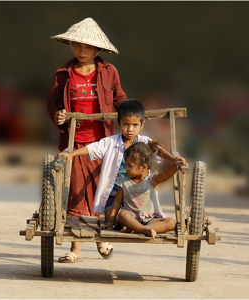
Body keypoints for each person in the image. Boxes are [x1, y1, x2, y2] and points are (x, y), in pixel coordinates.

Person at [47, 17, 126, 263]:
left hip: (103, 141)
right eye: (77, 45)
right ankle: (76, 248)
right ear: (71, 45)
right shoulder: (63, 73)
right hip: (74, 142)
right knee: (75, 193)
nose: (82, 50)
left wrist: (128, 114)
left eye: (87, 47)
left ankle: (102, 238)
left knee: (102, 190)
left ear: (97, 49)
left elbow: (120, 98)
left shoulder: (109, 71)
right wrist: (58, 115)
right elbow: (52, 102)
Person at [58, 100, 187, 240]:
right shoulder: (111, 142)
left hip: (140, 201)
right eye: (126, 124)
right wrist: (71, 154)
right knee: (114, 216)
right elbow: (91, 148)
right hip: (115, 197)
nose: (130, 129)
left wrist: (173, 159)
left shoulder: (144, 141)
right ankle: (138, 227)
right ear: (119, 124)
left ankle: (137, 228)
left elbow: (159, 151)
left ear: (142, 125)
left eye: (135, 125)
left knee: (171, 222)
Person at [101, 141, 188, 238]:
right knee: (123, 215)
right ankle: (143, 230)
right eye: (126, 165)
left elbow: (166, 174)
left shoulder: (152, 180)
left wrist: (175, 166)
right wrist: (109, 221)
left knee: (171, 222)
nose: (126, 168)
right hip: (132, 218)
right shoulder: (124, 182)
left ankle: (137, 229)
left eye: (130, 166)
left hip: (152, 218)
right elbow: (117, 202)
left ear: (144, 167)